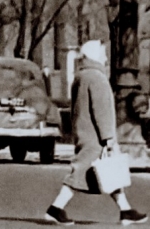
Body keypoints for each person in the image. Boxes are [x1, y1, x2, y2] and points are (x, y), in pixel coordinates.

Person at [44, 40, 147, 225]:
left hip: (85, 131)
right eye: (103, 53)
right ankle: (55, 209)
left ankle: (126, 211)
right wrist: (108, 137)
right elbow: (102, 111)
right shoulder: (97, 78)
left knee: (109, 172)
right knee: (80, 172)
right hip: (95, 137)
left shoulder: (81, 76)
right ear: (95, 55)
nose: (106, 57)